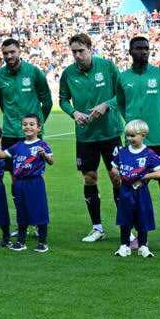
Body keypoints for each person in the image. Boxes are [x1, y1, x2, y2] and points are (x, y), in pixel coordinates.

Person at [115, 36, 160, 253]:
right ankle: (136, 236)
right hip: (134, 145)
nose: (143, 51)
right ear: (130, 51)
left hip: (159, 142)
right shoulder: (123, 77)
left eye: (146, 48)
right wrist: (132, 127)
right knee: (132, 190)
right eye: (138, 48)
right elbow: (122, 104)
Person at [58, 33, 123, 244]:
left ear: (90, 49)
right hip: (86, 136)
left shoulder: (107, 67)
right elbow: (63, 100)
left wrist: (106, 105)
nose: (77, 55)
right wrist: (74, 113)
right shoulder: (68, 74)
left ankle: (126, 227)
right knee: (89, 178)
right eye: (74, 52)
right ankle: (97, 228)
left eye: (81, 51)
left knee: (117, 177)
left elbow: (121, 93)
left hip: (110, 132)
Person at [0, 114, 53, 253]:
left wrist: (44, 155)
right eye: (25, 124)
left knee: (39, 210)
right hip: (19, 183)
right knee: (21, 211)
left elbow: (51, 161)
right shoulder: (18, 145)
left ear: (38, 128)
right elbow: (2, 154)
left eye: (32, 124)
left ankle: (42, 242)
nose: (28, 127)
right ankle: (21, 241)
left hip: (35, 182)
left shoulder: (42, 144)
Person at [111, 120, 160, 258]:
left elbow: (158, 173)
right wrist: (118, 175)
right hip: (125, 191)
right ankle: (124, 246)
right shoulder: (123, 152)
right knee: (125, 218)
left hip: (141, 192)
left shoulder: (149, 153)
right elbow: (114, 168)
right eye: (127, 135)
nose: (129, 138)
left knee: (142, 217)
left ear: (143, 135)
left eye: (133, 136)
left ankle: (143, 246)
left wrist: (142, 177)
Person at [0, 38, 53, 149]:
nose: (9, 56)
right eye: (5, 53)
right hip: (9, 133)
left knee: (34, 161)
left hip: (32, 133)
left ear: (19, 51)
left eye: (12, 52)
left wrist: (37, 123)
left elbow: (47, 102)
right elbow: (2, 103)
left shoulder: (34, 72)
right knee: (7, 161)